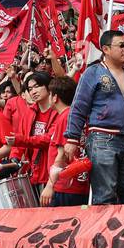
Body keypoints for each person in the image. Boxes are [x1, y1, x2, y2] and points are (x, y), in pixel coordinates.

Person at [65, 30, 124, 205]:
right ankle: (106, 232)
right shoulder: (93, 72)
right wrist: (72, 138)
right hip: (101, 139)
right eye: (121, 46)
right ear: (105, 49)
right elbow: (79, 106)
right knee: (105, 196)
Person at [41, 77, 89, 207]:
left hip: (65, 186)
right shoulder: (75, 115)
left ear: (55, 97)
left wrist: (50, 185)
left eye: (50, 94)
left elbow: (61, 155)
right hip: (78, 184)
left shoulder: (65, 117)